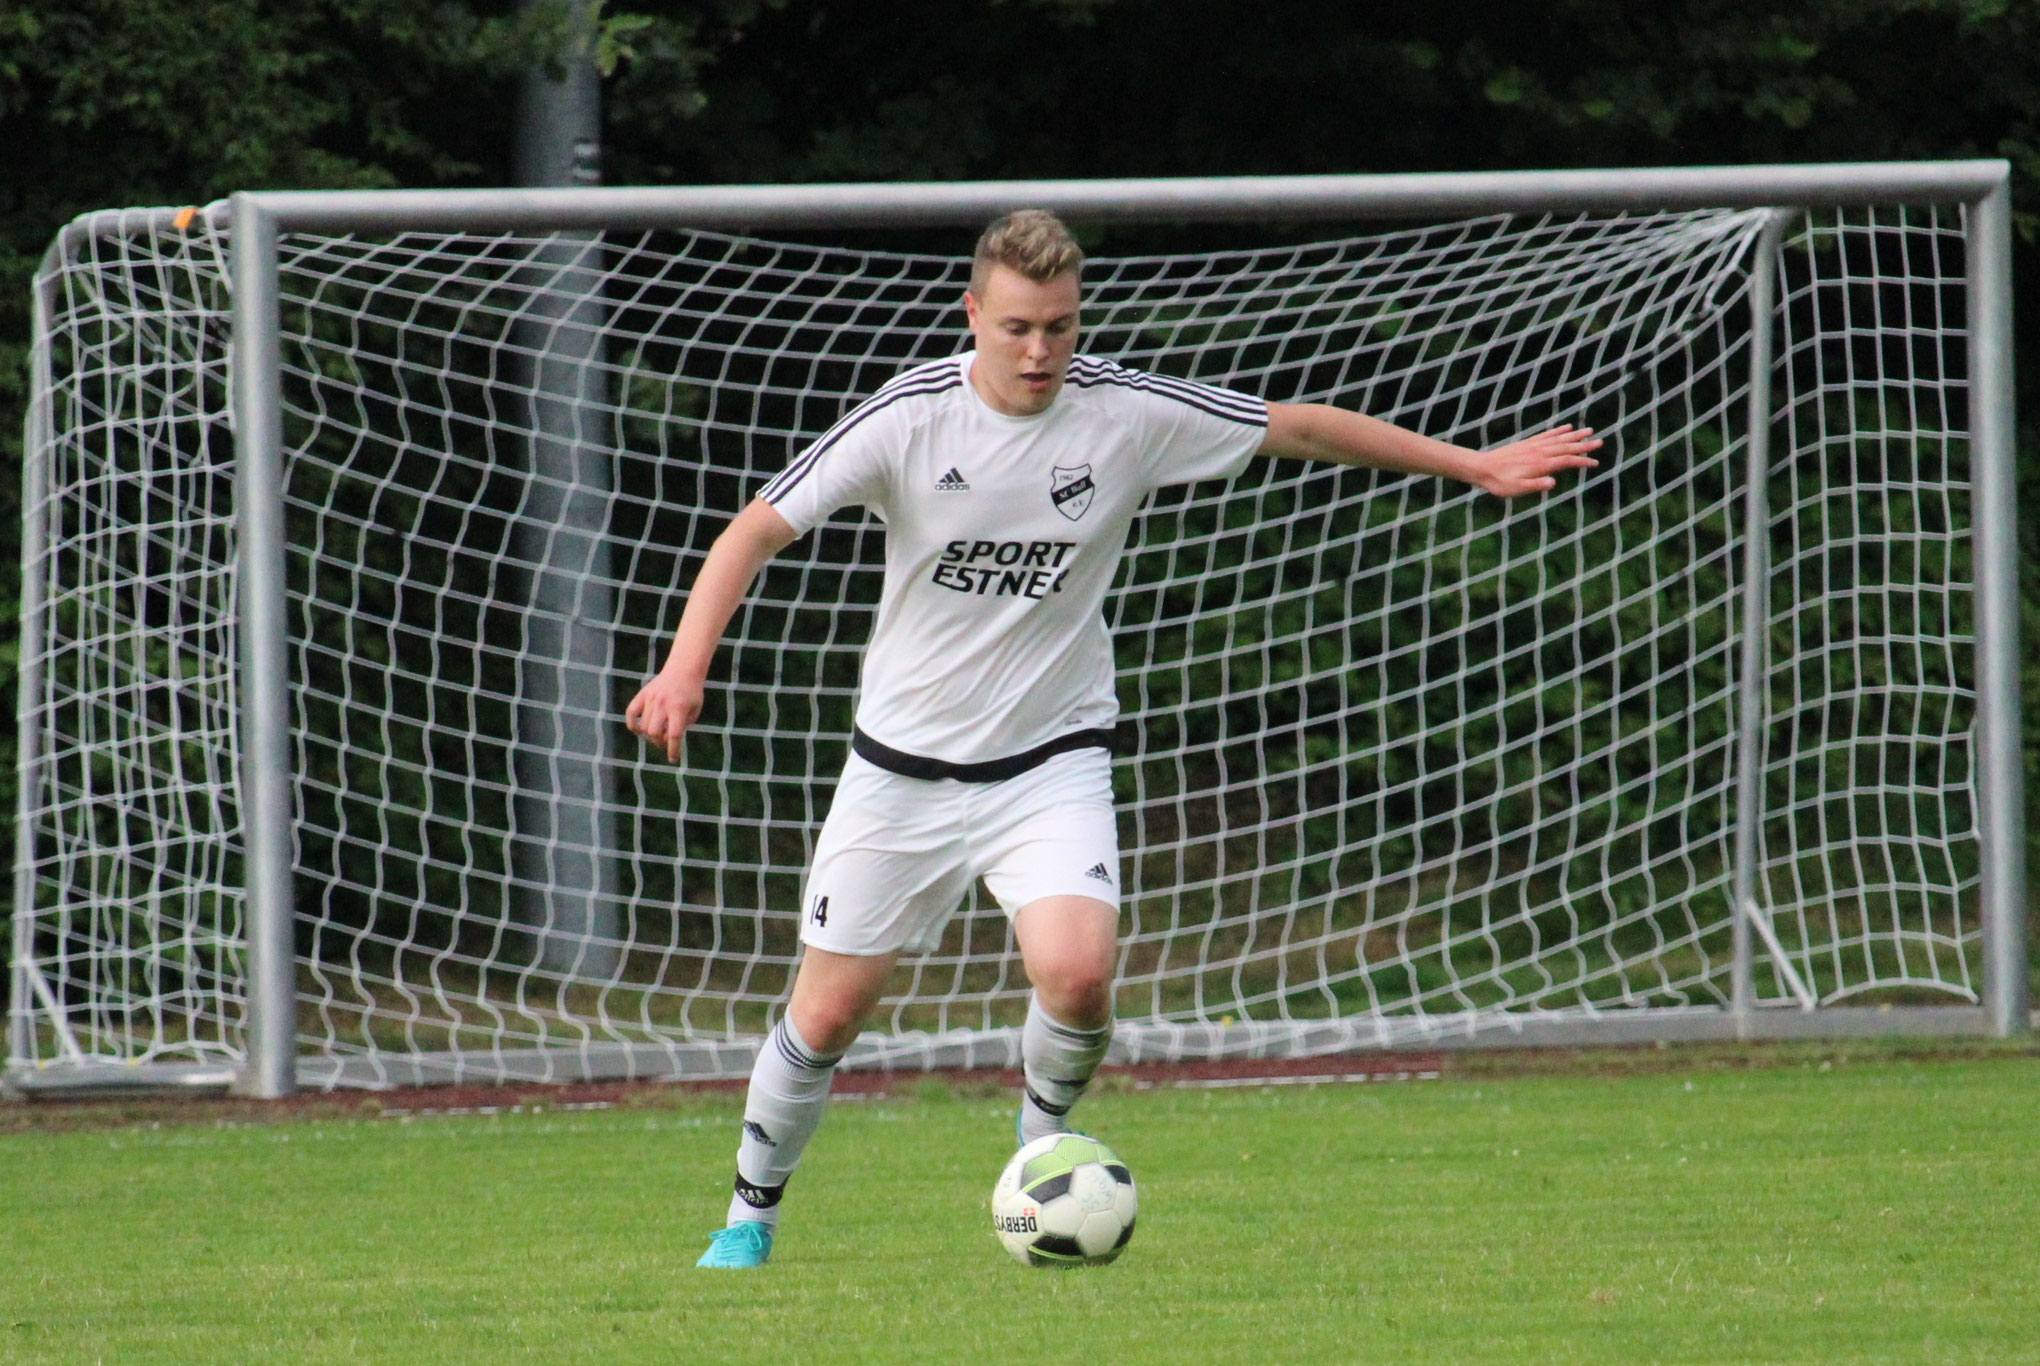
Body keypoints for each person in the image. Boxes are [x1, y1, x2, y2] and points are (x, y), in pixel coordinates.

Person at [625, 210, 1600, 1269]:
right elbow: (751, 531)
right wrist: (683, 668)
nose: (1040, 351)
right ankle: (749, 1214)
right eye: (1016, 328)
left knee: (1079, 974)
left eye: (1059, 326)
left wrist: (1471, 464)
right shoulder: (907, 419)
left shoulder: (1123, 412)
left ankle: (1042, 1144)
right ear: (972, 317)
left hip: (1050, 760)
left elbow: (1301, 425)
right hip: (898, 773)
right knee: (825, 1017)